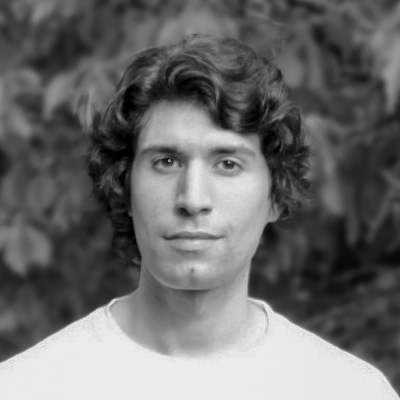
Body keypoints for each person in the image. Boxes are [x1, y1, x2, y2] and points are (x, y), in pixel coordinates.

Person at [0, 34, 398, 400]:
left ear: (275, 196)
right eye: (166, 161)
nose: (192, 199)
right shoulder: (26, 387)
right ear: (124, 187)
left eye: (227, 164)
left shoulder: (350, 390)